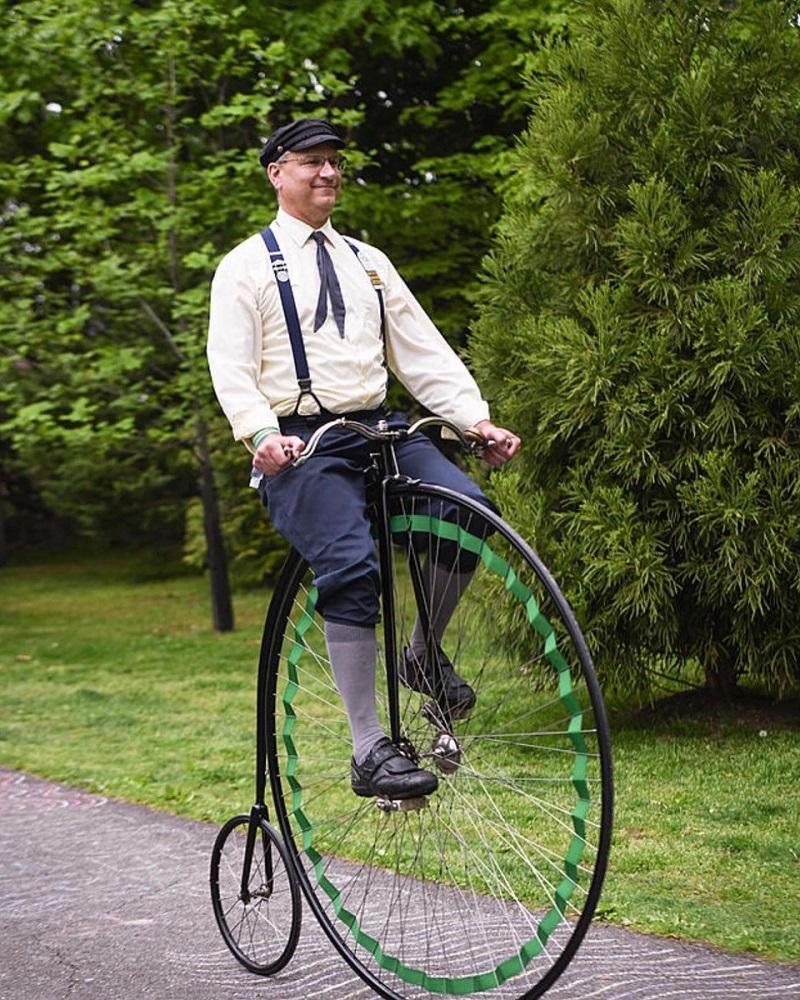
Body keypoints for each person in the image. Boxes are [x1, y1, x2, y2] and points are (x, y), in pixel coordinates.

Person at [207, 118, 520, 802]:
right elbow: (230, 368)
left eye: (335, 163)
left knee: (469, 512)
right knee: (351, 564)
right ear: (276, 173)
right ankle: (369, 747)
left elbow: (422, 351)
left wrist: (476, 420)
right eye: (311, 162)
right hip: (301, 444)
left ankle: (422, 651)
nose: (327, 173)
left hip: (379, 429)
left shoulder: (368, 261)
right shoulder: (246, 266)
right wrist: (259, 431)